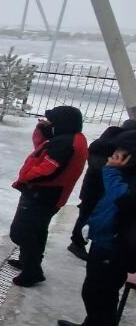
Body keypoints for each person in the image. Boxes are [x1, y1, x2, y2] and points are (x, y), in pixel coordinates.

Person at [58, 131, 136, 326]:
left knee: (100, 293)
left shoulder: (120, 176)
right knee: (95, 291)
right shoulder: (125, 174)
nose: (113, 157)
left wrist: (111, 171)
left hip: (117, 244)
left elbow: (125, 200)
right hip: (105, 239)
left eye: (120, 152)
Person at [9, 106, 88, 287]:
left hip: (42, 195)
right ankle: (28, 262)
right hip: (47, 194)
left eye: (51, 121)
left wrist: (26, 176)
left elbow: (48, 169)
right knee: (35, 231)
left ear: (62, 123)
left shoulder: (64, 143)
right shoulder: (69, 138)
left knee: (26, 232)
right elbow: (41, 149)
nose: (47, 123)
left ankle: (32, 272)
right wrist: (43, 131)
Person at [68, 119, 136, 261]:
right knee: (88, 213)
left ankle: (80, 241)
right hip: (98, 187)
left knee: (89, 212)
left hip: (98, 186)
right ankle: (78, 242)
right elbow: (98, 165)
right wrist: (115, 169)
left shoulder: (110, 142)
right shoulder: (113, 147)